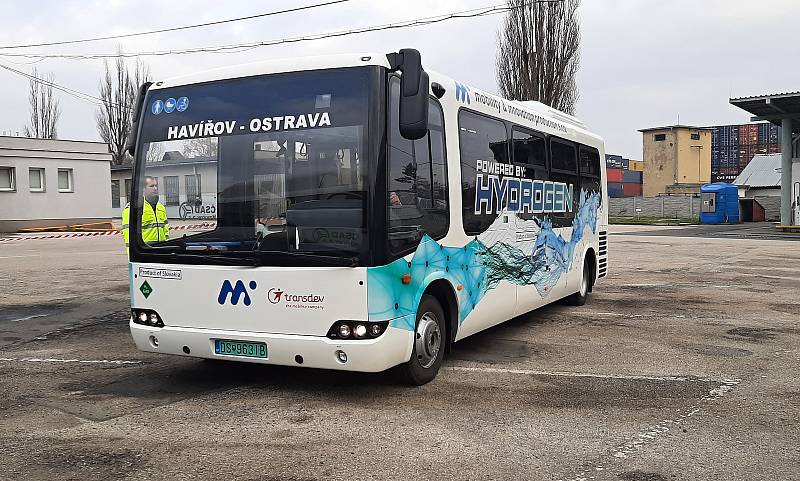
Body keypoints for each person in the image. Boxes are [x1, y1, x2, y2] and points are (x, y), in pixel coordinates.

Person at [122, 176, 169, 254]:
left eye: (155, 185)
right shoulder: (133, 208)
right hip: (144, 252)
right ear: (143, 189)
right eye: (151, 186)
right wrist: (134, 255)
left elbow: (166, 229)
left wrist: (166, 245)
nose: (155, 188)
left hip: (161, 250)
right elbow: (129, 235)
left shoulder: (160, 207)